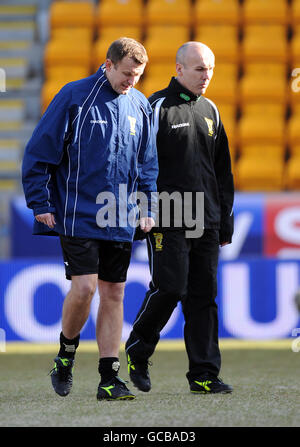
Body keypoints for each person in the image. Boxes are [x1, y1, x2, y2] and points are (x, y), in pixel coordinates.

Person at [22, 38, 158, 401]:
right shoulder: (74, 96)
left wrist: (148, 207)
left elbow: (147, 164)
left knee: (114, 292)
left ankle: (109, 378)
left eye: (138, 76)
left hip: (119, 215)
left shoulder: (140, 105)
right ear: (108, 64)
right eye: (127, 74)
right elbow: (39, 152)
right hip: (76, 211)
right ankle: (65, 358)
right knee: (84, 289)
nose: (132, 81)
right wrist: (40, 202)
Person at [125, 42, 235, 394]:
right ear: (179, 69)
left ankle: (204, 374)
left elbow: (222, 171)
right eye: (200, 68)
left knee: (204, 295)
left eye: (211, 69)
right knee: (170, 287)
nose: (207, 76)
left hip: (207, 218)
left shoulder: (212, 111)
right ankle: (137, 348)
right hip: (167, 215)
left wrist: (224, 218)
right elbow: (135, 164)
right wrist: (144, 209)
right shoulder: (155, 107)